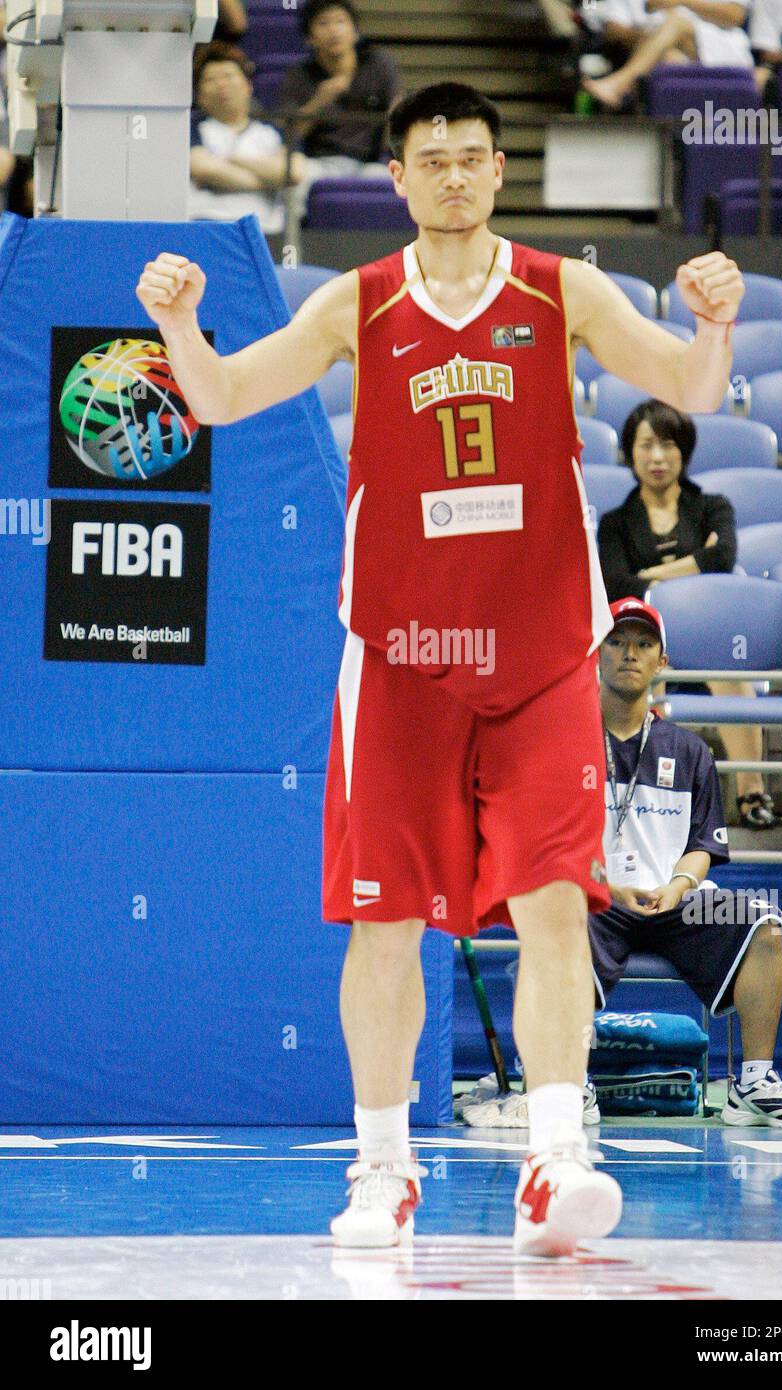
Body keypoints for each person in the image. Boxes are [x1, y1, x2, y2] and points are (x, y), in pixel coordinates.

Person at [135, 81, 745, 1257]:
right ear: (400, 180)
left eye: (475, 156)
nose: (455, 176)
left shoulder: (559, 288)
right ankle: (382, 1169)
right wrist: (179, 326)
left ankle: (557, 1157)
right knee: (383, 923)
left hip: (543, 665)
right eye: (433, 158)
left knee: (555, 907)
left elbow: (692, 385)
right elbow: (216, 396)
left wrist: (714, 321)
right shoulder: (356, 304)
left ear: (501, 172)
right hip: (403, 665)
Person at [592, 597, 782, 1126]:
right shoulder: (567, 743)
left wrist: (678, 887)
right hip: (599, 900)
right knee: (558, 923)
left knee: (765, 923)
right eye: (616, 642)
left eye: (643, 644)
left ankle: (752, 1084)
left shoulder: (688, 750)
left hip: (678, 904)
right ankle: (566, 1082)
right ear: (596, 653)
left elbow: (703, 844)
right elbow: (554, 838)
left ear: (662, 663)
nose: (629, 654)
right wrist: (607, 887)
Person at [597, 399, 778, 829]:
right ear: (630, 452)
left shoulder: (713, 506)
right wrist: (693, 563)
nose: (657, 457)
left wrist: (651, 575)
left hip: (708, 647)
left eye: (667, 445)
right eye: (646, 446)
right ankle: (612, 795)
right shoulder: (615, 523)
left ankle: (752, 794)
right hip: (642, 647)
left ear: (684, 451)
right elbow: (617, 583)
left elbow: (723, 557)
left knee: (731, 675)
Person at [273, 0, 400, 219]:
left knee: (401, 183)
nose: (333, 30)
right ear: (310, 38)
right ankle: (292, 245)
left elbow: (397, 110)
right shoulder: (300, 75)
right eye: (323, 23)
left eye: (340, 21)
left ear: (355, 32)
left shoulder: (377, 64)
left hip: (369, 164)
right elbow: (291, 134)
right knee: (294, 183)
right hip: (319, 163)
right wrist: (319, 101)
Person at [189, 43, 306, 239]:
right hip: (207, 225)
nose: (221, 85)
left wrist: (233, 159)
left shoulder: (275, 131)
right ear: (200, 96)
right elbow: (204, 169)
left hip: (265, 230)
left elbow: (293, 172)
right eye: (210, 79)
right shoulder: (193, 129)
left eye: (228, 76)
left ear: (248, 86)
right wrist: (271, 180)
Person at [581, 0, 756, 110]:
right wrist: (653, 38)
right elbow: (614, 29)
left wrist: (680, 1)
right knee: (670, 57)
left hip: (724, 50)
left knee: (675, 22)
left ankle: (620, 83)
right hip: (661, 54)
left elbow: (735, 15)